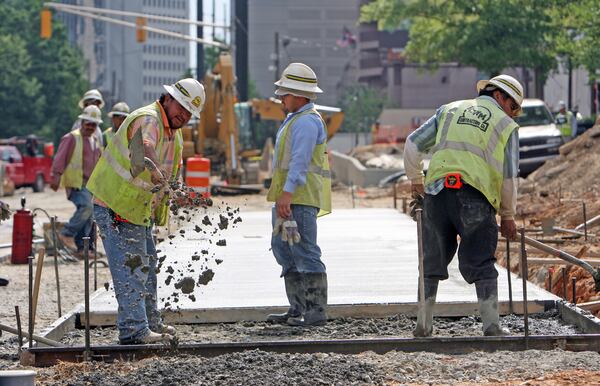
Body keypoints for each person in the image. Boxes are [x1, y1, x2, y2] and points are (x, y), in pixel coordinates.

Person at [87, 78, 205, 345]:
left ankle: (149, 323)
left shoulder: (173, 132)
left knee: (147, 266)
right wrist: (156, 173)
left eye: (189, 113)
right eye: (182, 108)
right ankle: (133, 330)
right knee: (131, 269)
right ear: (168, 98)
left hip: (135, 209)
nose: (183, 115)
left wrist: (178, 192)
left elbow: (171, 174)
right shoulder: (149, 119)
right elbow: (146, 148)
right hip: (116, 204)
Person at [404, 74, 523, 337]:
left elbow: (412, 144)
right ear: (499, 96)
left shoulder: (449, 110)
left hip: (436, 193)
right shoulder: (506, 126)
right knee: (481, 260)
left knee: (431, 260)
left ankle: (423, 326)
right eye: (513, 106)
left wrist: (416, 182)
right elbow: (509, 176)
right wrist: (508, 216)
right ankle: (492, 327)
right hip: (475, 196)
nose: (513, 114)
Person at [266, 63, 332, 327]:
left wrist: (287, 194)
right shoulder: (296, 119)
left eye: (285, 94)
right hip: (291, 201)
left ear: (299, 94)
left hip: (298, 201)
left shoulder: (305, 122)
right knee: (286, 250)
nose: (281, 98)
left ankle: (315, 312)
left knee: (304, 252)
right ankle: (297, 309)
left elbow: (299, 161)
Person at [50, 105, 103, 257]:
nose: (90, 127)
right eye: (88, 123)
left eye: (94, 124)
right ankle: (66, 233)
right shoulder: (71, 138)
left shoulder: (94, 141)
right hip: (76, 183)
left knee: (89, 216)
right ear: (82, 122)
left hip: (90, 185)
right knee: (86, 208)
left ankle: (82, 249)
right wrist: (56, 176)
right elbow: (60, 157)